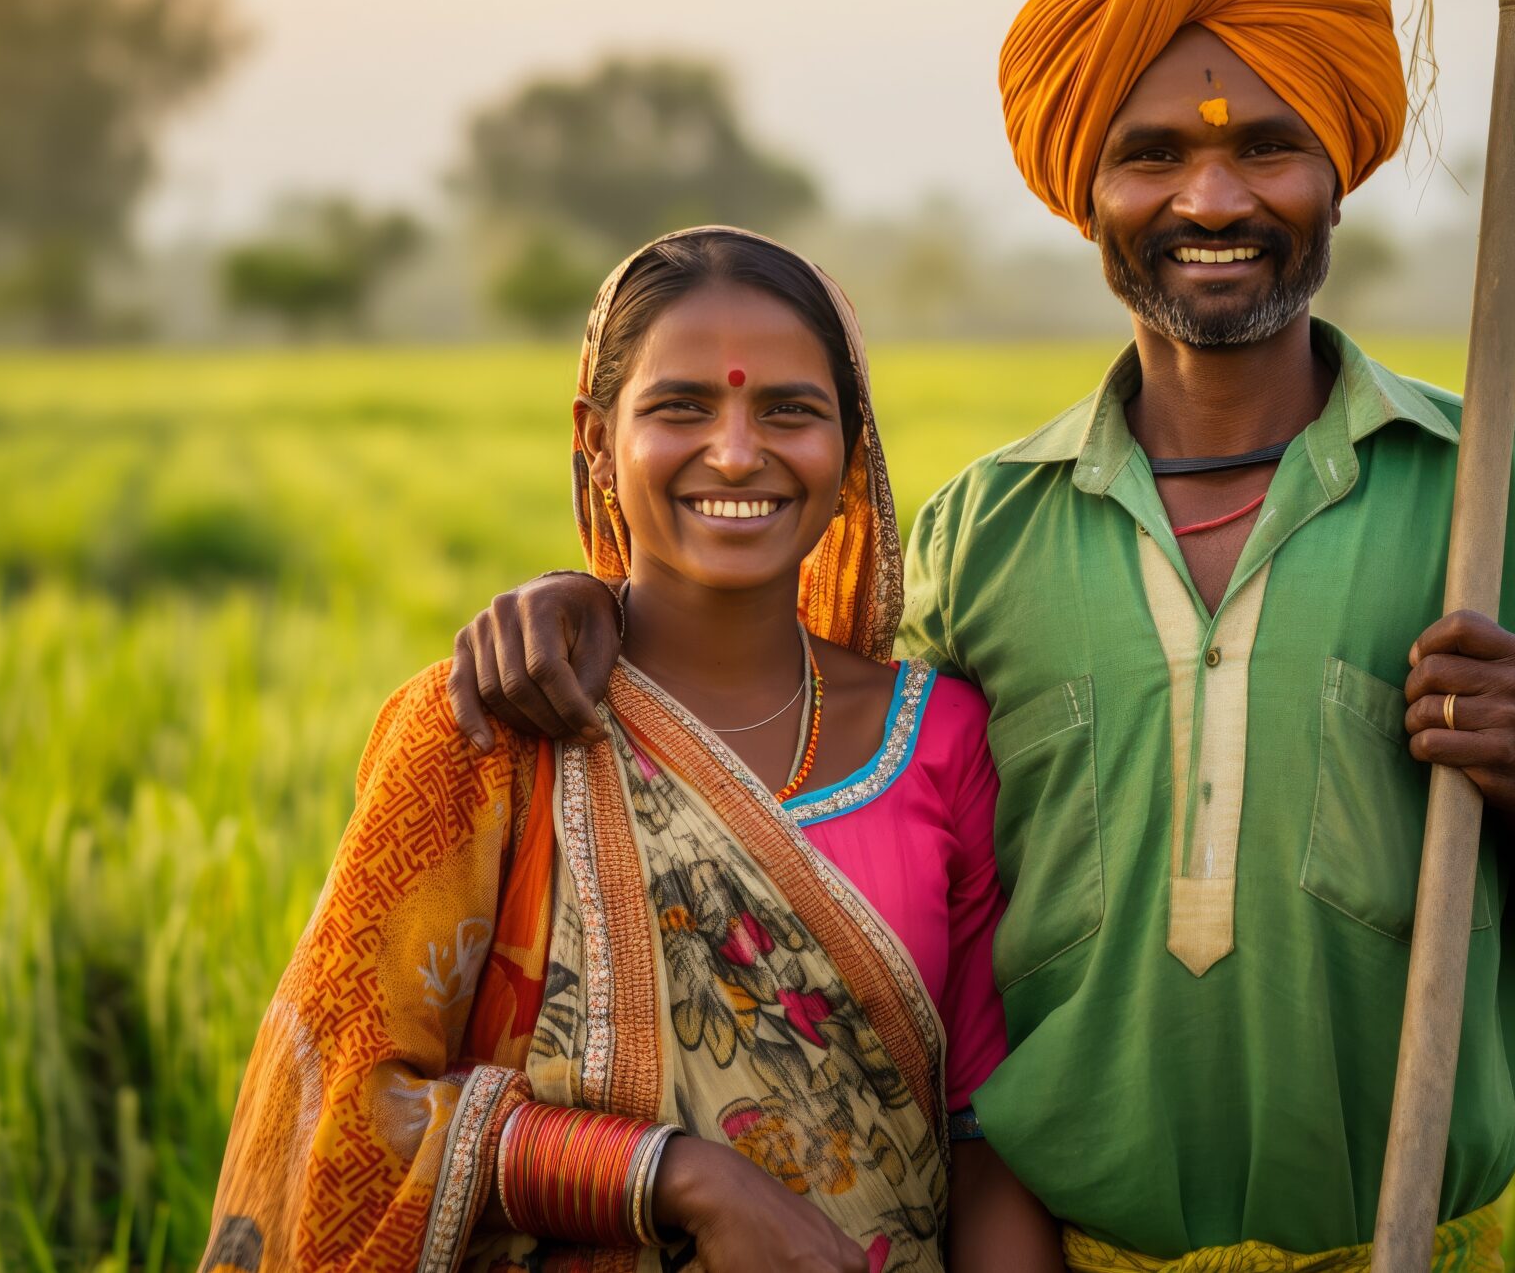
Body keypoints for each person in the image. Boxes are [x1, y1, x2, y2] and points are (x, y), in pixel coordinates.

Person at [440, 0, 1515, 1272]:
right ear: (1087, 191)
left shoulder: (1511, 495)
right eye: (1153, 153)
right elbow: (822, 798)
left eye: (1271, 148)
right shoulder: (984, 531)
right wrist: (598, 604)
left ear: (1337, 172)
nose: (1214, 197)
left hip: (1414, 1239)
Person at [202, 227, 1064, 1272]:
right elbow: (343, 1110)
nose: (738, 450)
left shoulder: (941, 736)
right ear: (596, 443)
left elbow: (981, 1131)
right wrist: (679, 1176)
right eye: (681, 407)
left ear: (850, 455)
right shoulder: (485, 727)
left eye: (789, 410)